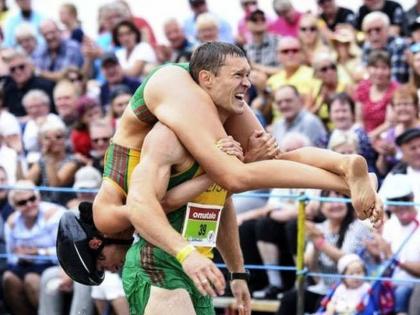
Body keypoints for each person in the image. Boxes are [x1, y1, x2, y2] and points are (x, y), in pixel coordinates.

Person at [60, 42, 382, 307]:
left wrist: (225, 265)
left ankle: (345, 177)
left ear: (95, 242)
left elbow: (151, 206)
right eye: (240, 75)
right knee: (255, 164)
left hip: (169, 85)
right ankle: (344, 175)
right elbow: (191, 203)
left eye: (102, 264)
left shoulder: (106, 215)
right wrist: (233, 271)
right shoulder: (168, 139)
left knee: (243, 169)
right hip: (174, 262)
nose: (110, 268)